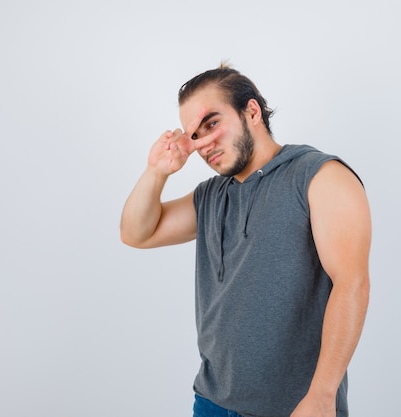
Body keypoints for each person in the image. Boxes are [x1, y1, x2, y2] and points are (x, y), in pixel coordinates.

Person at [120, 64, 371, 417]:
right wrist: (156, 170)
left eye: (212, 123)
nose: (203, 143)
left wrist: (322, 397)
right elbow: (136, 233)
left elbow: (352, 285)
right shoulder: (210, 195)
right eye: (193, 135)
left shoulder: (319, 176)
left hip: (296, 407)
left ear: (251, 111)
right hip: (211, 402)